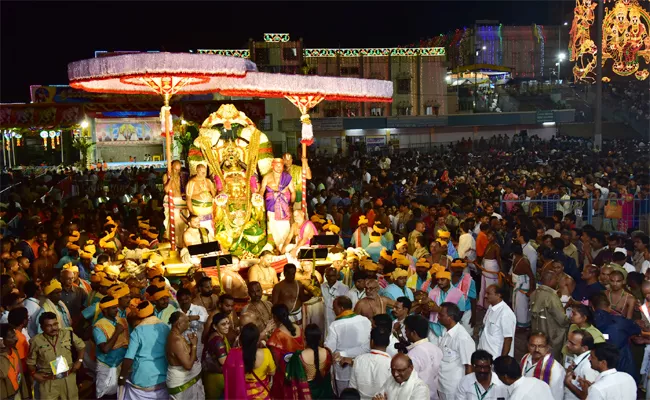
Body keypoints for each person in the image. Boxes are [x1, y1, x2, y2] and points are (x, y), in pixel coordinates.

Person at [27, 312, 86, 400]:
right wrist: (34, 374)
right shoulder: (36, 341)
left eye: (55, 324)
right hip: (48, 382)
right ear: (42, 327)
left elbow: (81, 346)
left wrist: (79, 361)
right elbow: (30, 362)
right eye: (49, 326)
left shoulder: (67, 334)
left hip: (68, 379)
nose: (54, 328)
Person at [119, 300, 171, 399]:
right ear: (153, 311)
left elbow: (129, 358)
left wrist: (122, 377)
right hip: (163, 376)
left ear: (139, 316)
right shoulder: (165, 327)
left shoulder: (138, 330)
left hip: (142, 377)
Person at [325, 296, 372, 394]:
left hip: (343, 368)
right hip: (361, 366)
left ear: (341, 308)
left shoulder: (335, 325)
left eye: (334, 308)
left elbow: (329, 348)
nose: (333, 310)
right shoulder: (365, 320)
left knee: (344, 395)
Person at [223, 323, 276, 400]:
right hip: (262, 395)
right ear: (258, 340)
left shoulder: (234, 354)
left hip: (241, 395)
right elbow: (272, 372)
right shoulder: (266, 353)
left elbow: (228, 372)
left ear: (241, 339)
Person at [93, 295, 129, 398]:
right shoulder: (99, 326)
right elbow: (105, 349)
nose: (117, 310)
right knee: (105, 395)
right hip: (107, 365)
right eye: (113, 308)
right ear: (105, 310)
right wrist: (117, 332)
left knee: (120, 394)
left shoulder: (121, 320)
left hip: (120, 364)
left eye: (116, 307)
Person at [438, 302, 476, 400]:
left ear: (450, 318)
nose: (438, 317)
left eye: (441, 315)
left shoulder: (462, 338)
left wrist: (467, 391)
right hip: (442, 384)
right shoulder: (445, 331)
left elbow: (469, 366)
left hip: (454, 388)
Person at [286, 324, 334, 399]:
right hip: (324, 392)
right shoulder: (327, 352)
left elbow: (292, 376)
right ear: (320, 338)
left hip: (308, 393)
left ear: (305, 338)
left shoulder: (299, 356)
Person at [530, 269, 570, 360]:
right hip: (551, 334)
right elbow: (561, 319)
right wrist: (569, 320)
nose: (557, 281)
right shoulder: (551, 297)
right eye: (556, 279)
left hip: (537, 331)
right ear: (550, 280)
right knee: (550, 359)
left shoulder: (534, 293)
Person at [267, 304, 305, 399]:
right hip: (300, 368)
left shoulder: (277, 335)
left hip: (285, 372)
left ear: (274, 317)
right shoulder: (298, 328)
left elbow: (276, 361)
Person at [166, 311, 204, 400]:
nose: (189, 323)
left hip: (183, 380)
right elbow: (188, 366)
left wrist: (191, 344)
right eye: (187, 321)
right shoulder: (176, 341)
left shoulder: (176, 336)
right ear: (179, 324)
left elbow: (186, 355)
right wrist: (194, 345)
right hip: (181, 382)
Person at [404, 314, 443, 400]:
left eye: (406, 330)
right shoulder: (437, 349)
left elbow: (409, 380)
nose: (405, 333)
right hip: (433, 395)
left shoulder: (414, 353)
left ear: (413, 333)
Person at [519, 331, 566, 400]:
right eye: (533, 345)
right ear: (528, 345)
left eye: (541, 346)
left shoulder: (554, 368)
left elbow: (557, 396)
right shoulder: (525, 358)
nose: (536, 350)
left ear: (547, 347)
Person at [349, 326, 392, 400]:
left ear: (371, 342)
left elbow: (352, 388)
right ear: (388, 343)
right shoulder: (391, 363)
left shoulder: (358, 360)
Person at [426, 271, 467, 340]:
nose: (439, 282)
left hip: (449, 330)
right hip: (433, 328)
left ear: (449, 279)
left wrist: (439, 310)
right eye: (438, 280)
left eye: (442, 279)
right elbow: (428, 311)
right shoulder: (433, 292)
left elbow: (460, 314)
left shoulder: (458, 294)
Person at [478, 284, 516, 358]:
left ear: (498, 295)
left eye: (488, 294)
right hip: (484, 353)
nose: (485, 296)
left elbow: (508, 339)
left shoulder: (505, 313)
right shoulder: (491, 307)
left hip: (495, 356)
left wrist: (502, 360)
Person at [563, 329, 599, 400]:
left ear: (584, 348)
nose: (567, 345)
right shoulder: (576, 356)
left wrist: (568, 383)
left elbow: (589, 396)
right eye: (568, 341)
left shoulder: (588, 366)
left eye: (572, 344)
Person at [203, 312, 231, 399]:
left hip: (213, 375)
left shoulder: (218, 336)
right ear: (215, 326)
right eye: (223, 324)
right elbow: (223, 361)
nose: (227, 326)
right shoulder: (218, 340)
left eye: (228, 323)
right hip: (216, 378)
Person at [185, 164, 217, 237]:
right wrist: (192, 213)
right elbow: (188, 199)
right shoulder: (192, 182)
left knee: (211, 233)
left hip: (209, 212)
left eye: (205, 172)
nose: (204, 174)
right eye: (202, 172)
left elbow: (214, 195)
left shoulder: (208, 181)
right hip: (197, 212)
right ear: (197, 171)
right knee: (200, 234)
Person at [176, 288, 208, 358]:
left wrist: (196, 317)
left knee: (197, 365)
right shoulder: (176, 313)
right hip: (183, 346)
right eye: (181, 300)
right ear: (178, 300)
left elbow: (206, 319)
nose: (184, 302)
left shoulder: (199, 309)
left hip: (198, 345)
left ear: (191, 297)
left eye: (186, 299)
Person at [509, 243, 535, 329]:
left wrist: (531, 290)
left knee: (521, 306)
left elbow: (531, 276)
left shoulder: (524, 261)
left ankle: (523, 325)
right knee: (517, 305)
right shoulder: (516, 259)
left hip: (523, 285)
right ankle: (518, 322)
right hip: (517, 285)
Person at [321, 267, 350, 332]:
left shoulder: (344, 288)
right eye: (328, 276)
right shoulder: (322, 286)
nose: (331, 278)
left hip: (338, 319)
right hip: (326, 318)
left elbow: (346, 306)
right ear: (326, 276)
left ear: (337, 276)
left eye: (333, 276)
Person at [0, 323, 21, 400]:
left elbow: (20, 372)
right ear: (1, 340)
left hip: (16, 392)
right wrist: (2, 351)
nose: (16, 338)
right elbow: (2, 373)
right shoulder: (2, 356)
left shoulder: (14, 351)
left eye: (14, 335)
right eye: (12, 337)